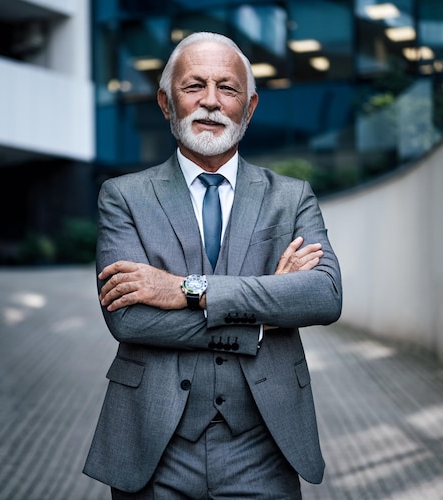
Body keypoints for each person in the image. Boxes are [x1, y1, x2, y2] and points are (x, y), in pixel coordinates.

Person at [83, 32, 342, 499]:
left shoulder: (291, 197)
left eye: (227, 88)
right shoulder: (123, 196)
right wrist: (261, 321)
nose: (210, 102)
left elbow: (324, 295)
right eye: (193, 86)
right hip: (154, 445)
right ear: (166, 103)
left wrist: (186, 289)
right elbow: (128, 317)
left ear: (250, 106)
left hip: (264, 444)